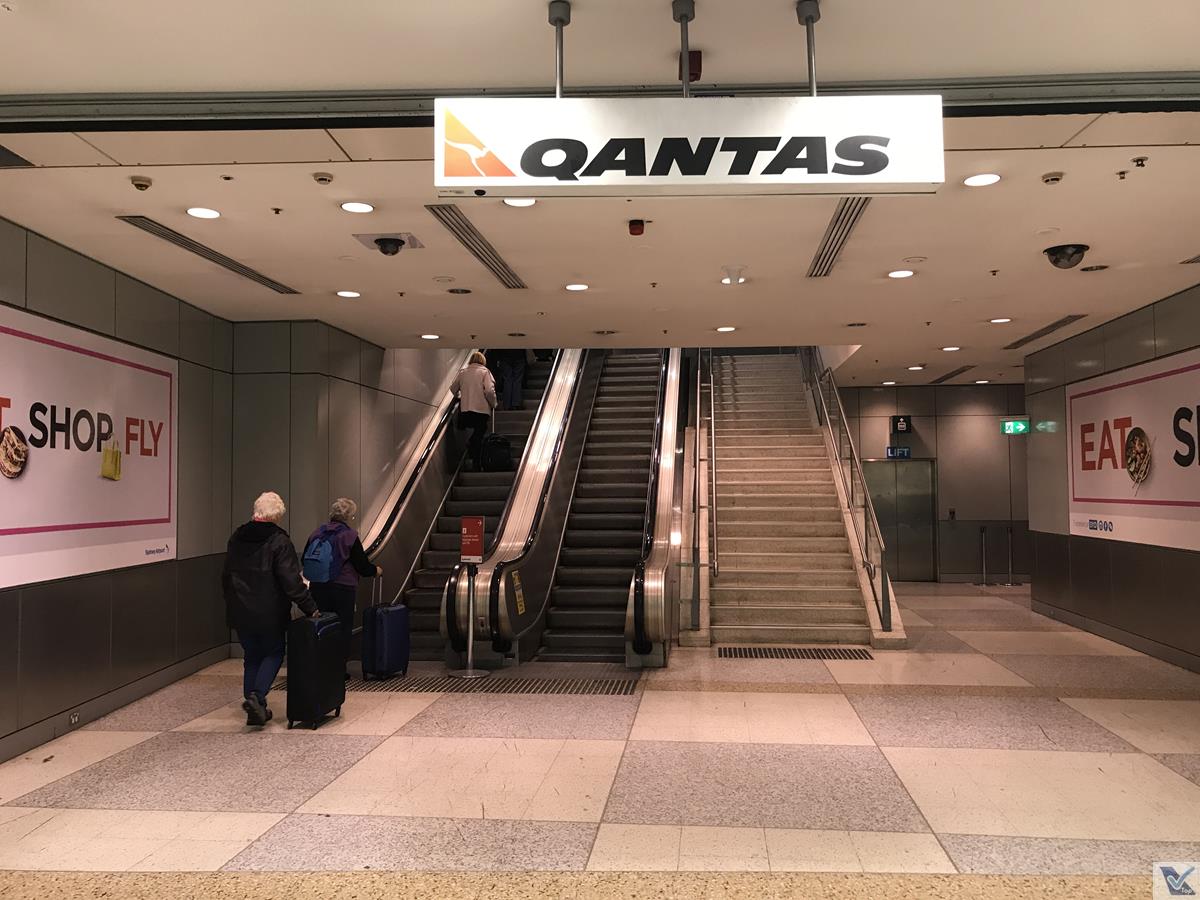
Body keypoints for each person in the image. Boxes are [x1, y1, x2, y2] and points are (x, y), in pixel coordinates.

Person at [222, 491, 318, 728]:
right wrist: (310, 607)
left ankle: (254, 707)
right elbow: (290, 580)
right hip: (269, 610)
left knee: (251, 655)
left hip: (240, 609)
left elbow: (226, 575)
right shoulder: (279, 541)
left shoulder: (236, 538)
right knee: (274, 652)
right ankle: (257, 696)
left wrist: (231, 603)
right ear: (277, 516)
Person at [303, 497, 381, 678]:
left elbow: (304, 559)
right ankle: (337, 669)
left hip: (317, 587)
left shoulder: (316, 533)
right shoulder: (349, 536)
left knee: (321, 626)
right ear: (349, 517)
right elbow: (362, 565)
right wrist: (375, 570)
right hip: (343, 588)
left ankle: (319, 666)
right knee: (342, 628)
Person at [451, 351, 496, 470]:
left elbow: (453, 388)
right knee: (479, 434)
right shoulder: (485, 372)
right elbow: (489, 391)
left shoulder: (463, 373)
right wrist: (494, 403)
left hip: (466, 410)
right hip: (481, 410)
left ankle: (472, 449)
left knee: (476, 434)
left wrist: (460, 396)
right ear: (483, 361)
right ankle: (476, 462)